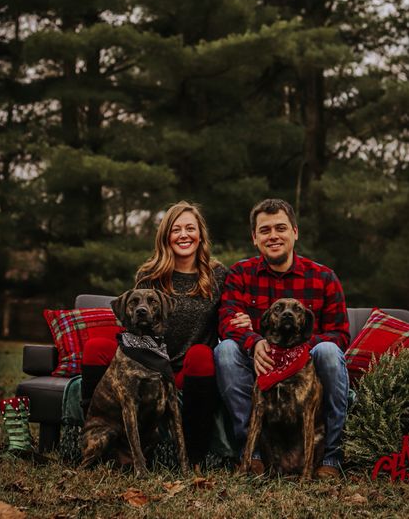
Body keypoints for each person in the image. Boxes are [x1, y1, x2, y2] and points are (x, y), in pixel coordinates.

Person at [81, 200, 231, 470]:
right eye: (176, 229)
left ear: (200, 234)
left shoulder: (217, 274)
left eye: (190, 228)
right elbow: (133, 320)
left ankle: (194, 458)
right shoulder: (150, 275)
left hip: (185, 368)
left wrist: (241, 319)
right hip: (146, 360)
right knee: (95, 347)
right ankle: (95, 433)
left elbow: (230, 313)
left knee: (201, 355)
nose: (183, 235)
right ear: (166, 236)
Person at [214, 198, 350, 479]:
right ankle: (253, 454)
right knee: (226, 350)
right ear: (254, 238)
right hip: (259, 363)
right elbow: (227, 322)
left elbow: (340, 334)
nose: (273, 236)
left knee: (327, 350)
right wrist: (254, 341)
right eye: (265, 230)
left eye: (281, 228)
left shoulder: (323, 277)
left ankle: (332, 457)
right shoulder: (240, 274)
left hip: (306, 367)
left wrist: (301, 348)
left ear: (295, 232)